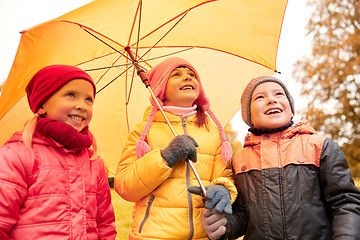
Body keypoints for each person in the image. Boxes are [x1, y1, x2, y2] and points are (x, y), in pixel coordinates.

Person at [200, 76, 360, 240]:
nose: (271, 100)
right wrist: (225, 224)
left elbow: (345, 202)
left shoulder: (320, 147)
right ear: (248, 116)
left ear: (291, 109)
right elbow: (243, 216)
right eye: (260, 97)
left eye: (278, 94)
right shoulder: (239, 161)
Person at [114, 57, 238, 240]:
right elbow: (125, 186)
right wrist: (165, 157)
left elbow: (224, 174)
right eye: (176, 74)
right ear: (161, 87)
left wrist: (223, 189)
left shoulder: (212, 132)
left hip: (203, 235)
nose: (188, 78)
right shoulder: (143, 133)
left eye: (191, 74)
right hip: (153, 235)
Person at [0, 65, 117, 239]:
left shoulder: (94, 162)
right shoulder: (16, 156)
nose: (82, 106)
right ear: (42, 105)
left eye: (88, 99)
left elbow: (105, 225)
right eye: (71, 95)